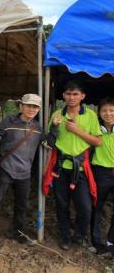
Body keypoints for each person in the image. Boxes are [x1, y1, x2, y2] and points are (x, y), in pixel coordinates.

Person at [0, 94, 43, 246]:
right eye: (28, 105)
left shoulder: (38, 128)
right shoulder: (8, 122)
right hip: (6, 168)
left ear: (38, 109)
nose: (31, 109)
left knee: (22, 205)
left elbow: (48, 143)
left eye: (35, 106)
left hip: (25, 172)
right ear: (21, 106)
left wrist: (56, 129)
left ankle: (18, 233)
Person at [45, 80, 102, 250]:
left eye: (75, 94)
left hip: (81, 168)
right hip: (60, 168)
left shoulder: (90, 115)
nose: (71, 97)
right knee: (61, 204)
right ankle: (65, 236)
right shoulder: (57, 114)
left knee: (85, 208)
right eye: (68, 94)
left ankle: (79, 235)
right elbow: (50, 142)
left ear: (82, 96)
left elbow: (97, 141)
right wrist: (54, 128)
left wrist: (77, 130)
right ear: (63, 95)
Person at [90, 97, 114, 254]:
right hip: (100, 172)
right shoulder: (95, 129)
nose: (108, 113)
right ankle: (97, 242)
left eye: (112, 110)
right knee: (96, 207)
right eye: (104, 110)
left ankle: (111, 242)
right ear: (99, 113)